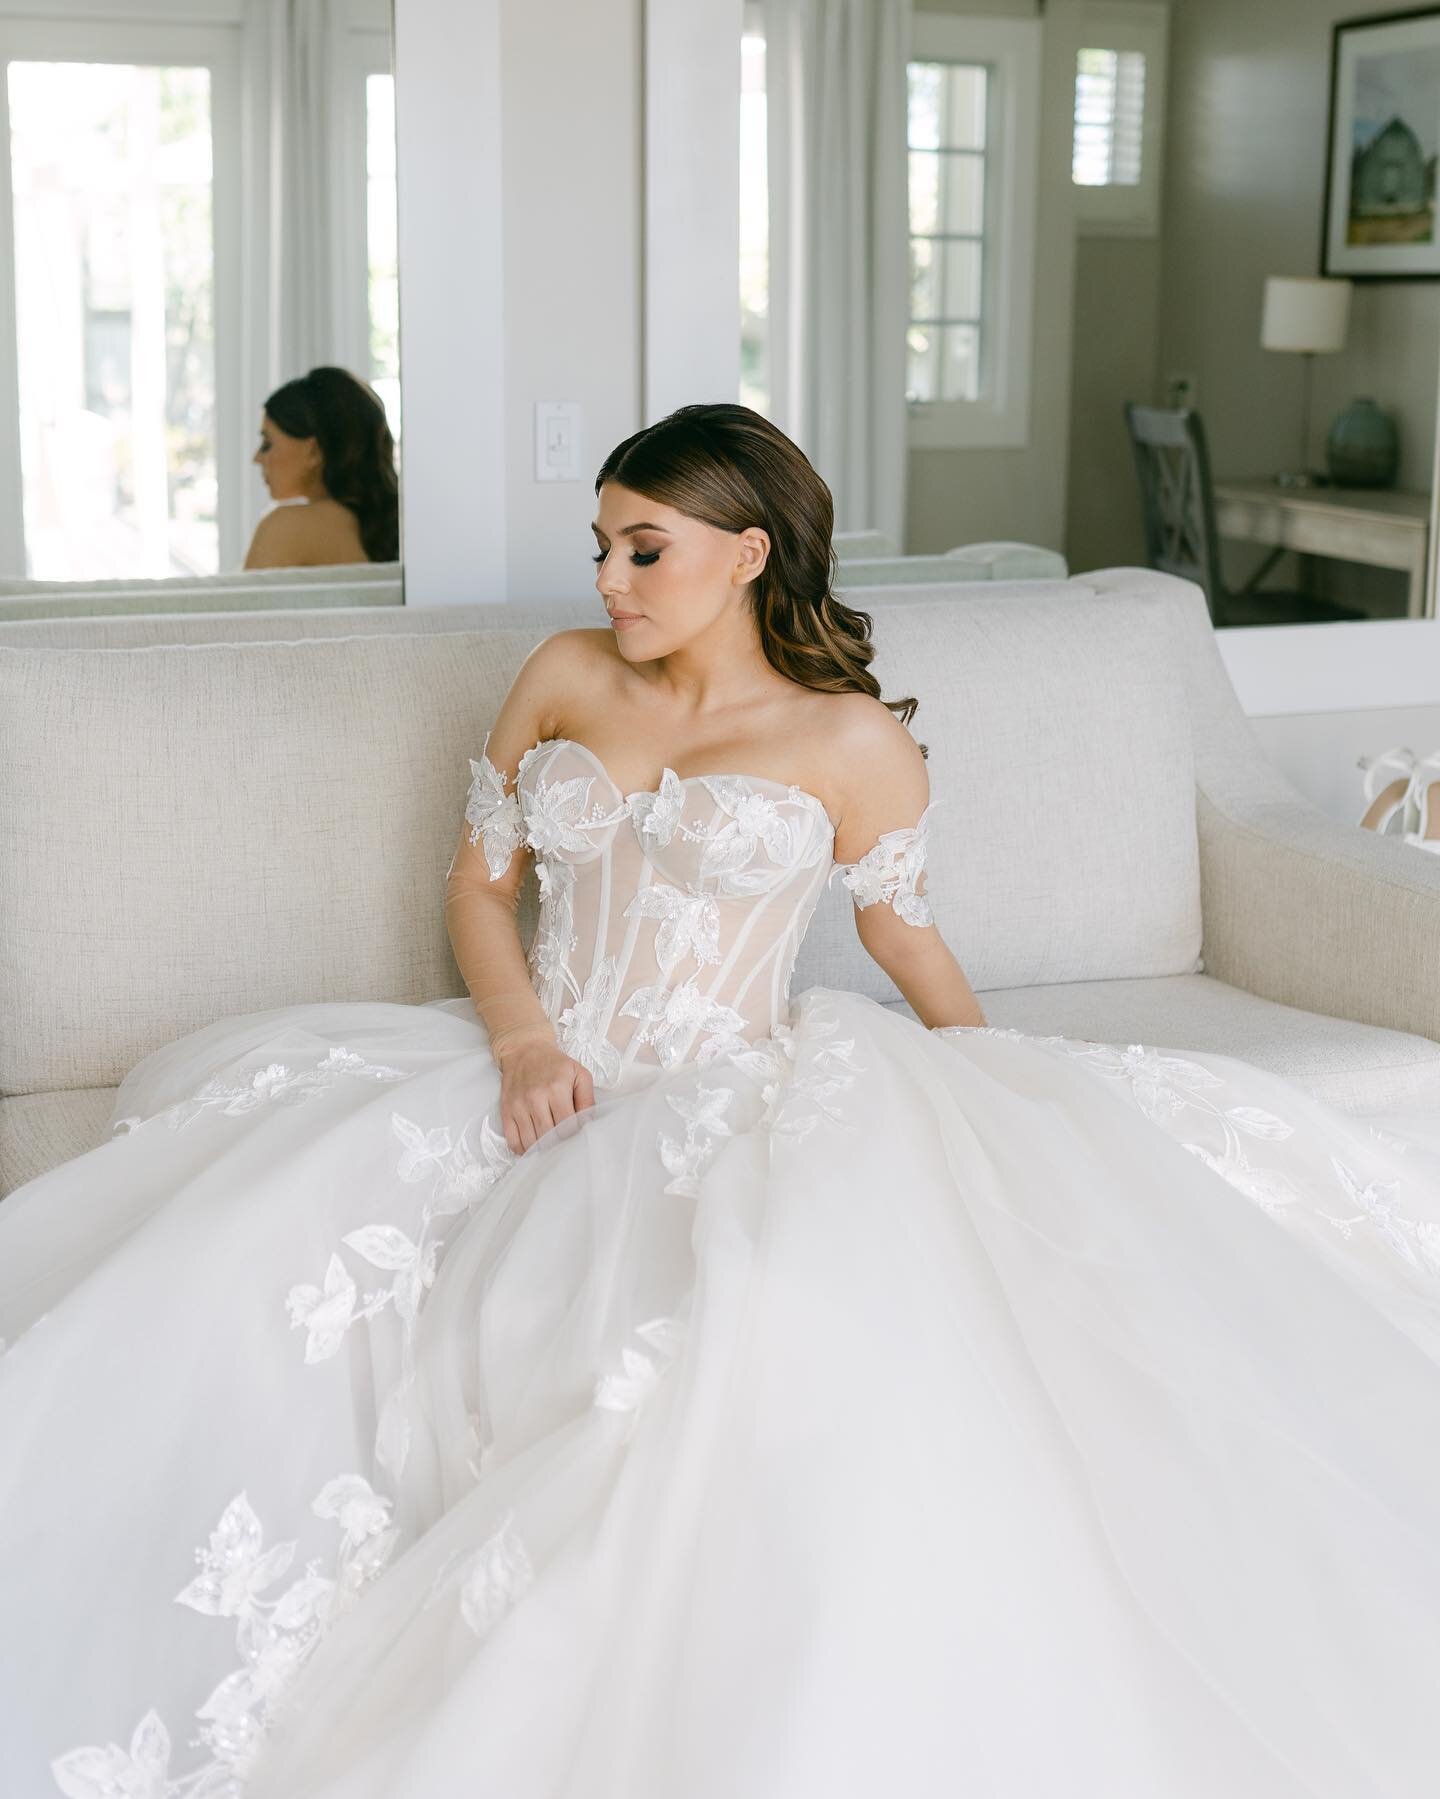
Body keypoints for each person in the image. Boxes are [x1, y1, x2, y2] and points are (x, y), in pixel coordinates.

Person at [4, 403, 1440, 1798]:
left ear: (749, 553)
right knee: (249, 1260)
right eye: (603, 547)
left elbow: (904, 936)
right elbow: (478, 884)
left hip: (723, 1081)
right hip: (528, 1054)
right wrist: (518, 1043)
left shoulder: (853, 740)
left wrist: (1004, 1073)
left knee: (706, 1343)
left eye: (646, 547)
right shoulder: (566, 672)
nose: (610, 580)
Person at [244, 366, 399, 569]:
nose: (256, 458)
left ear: (313, 452)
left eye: (267, 444)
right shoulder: (391, 530)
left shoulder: (287, 527)